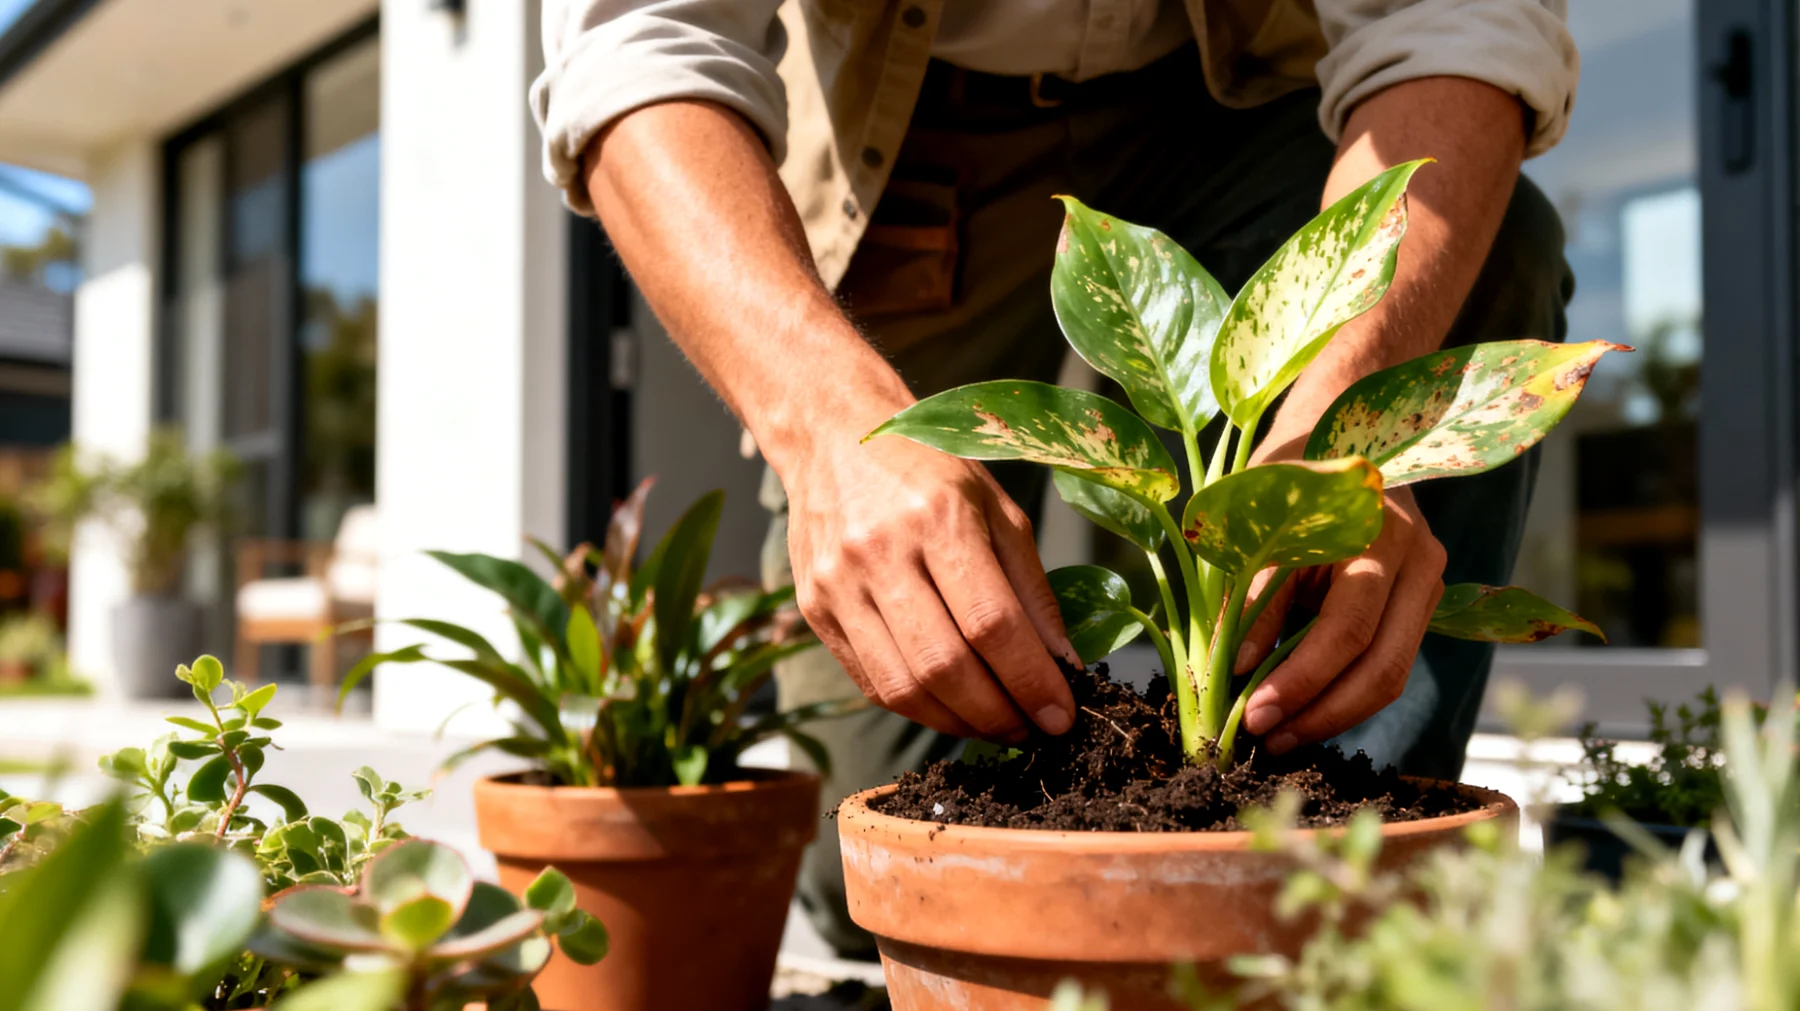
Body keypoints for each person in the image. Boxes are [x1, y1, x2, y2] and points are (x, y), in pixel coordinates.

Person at [533, 0, 1578, 955]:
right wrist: (826, 427)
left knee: (1491, 241)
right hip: (915, 128)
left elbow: (1457, 25)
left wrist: (1341, 427)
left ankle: (1327, 891)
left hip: (1252, 103)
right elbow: (640, 45)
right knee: (891, 836)